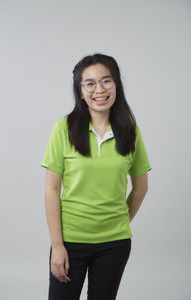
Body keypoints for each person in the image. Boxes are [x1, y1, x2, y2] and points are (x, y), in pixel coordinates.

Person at [40, 53, 152, 300]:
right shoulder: (63, 129)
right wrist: (57, 246)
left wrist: (119, 222)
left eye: (106, 81)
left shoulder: (130, 131)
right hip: (70, 241)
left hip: (115, 244)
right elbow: (51, 190)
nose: (98, 89)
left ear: (116, 86)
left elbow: (141, 187)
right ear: (80, 92)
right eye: (89, 83)